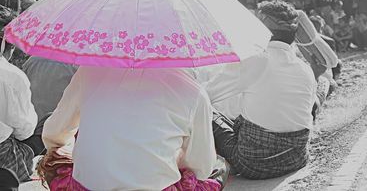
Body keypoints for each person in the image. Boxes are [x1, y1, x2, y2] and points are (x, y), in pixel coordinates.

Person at [38, 66, 227, 189]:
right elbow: (201, 167)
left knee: (54, 159)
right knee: (218, 166)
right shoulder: (193, 92)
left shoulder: (89, 71)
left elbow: (54, 134)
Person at [210, 1, 316, 180]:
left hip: (253, 164)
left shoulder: (256, 60)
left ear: (262, 31)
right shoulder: (304, 68)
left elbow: (206, 95)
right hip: (296, 159)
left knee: (206, 112)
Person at [0, 36, 43, 183]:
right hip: (3, 156)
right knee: (47, 122)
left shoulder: (30, 63)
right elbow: (25, 130)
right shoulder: (11, 75)